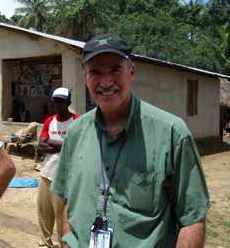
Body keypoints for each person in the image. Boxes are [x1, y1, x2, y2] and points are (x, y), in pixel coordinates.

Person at [51, 34, 209, 248]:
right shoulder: (76, 132)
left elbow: (192, 219)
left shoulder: (172, 133)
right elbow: (67, 198)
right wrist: (67, 239)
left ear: (131, 71)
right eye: (96, 72)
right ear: (85, 77)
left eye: (115, 69)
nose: (106, 82)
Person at [37, 87, 78, 248]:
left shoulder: (76, 121)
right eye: (55, 101)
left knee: (62, 218)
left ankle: (63, 245)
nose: (58, 104)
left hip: (65, 179)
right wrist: (63, 145)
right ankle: (45, 243)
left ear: (69, 102)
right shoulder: (50, 120)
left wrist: (53, 144)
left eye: (61, 101)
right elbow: (40, 145)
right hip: (46, 173)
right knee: (44, 214)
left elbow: (76, 147)